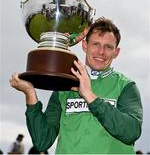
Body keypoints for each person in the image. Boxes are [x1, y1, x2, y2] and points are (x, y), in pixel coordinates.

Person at [10, 17, 143, 154]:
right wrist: (30, 93)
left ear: (116, 52)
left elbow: (131, 132)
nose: (101, 52)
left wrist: (90, 96)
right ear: (85, 45)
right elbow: (42, 141)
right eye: (95, 44)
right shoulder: (64, 86)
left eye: (108, 47)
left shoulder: (126, 86)